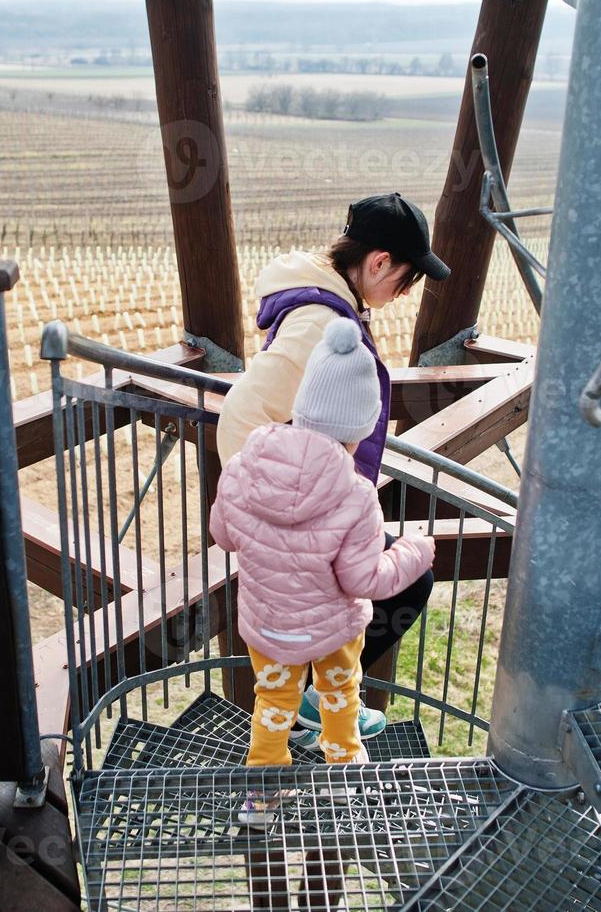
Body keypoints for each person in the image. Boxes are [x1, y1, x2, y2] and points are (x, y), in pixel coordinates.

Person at [214, 191, 449, 745]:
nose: (403, 294)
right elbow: (253, 408)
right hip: (294, 497)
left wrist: (252, 494)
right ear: (379, 262)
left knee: (308, 618)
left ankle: (286, 729)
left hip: (282, 489)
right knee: (402, 585)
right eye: (407, 280)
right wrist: (301, 503)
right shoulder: (321, 319)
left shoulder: (320, 299)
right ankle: (323, 706)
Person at [210, 319, 436, 826]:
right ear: (359, 430)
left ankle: (261, 800)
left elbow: (223, 535)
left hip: (267, 627)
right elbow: (365, 582)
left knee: (272, 704)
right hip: (333, 631)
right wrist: (416, 552)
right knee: (339, 698)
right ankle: (342, 786)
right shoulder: (356, 496)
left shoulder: (246, 464)